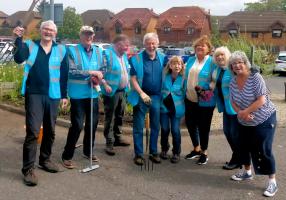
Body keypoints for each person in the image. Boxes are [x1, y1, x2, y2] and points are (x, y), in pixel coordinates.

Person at [13, 20, 69, 186]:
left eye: (51, 30)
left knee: (51, 131)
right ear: (40, 30)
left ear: (55, 33)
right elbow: (18, 58)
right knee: (33, 132)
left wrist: (64, 95)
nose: (48, 32)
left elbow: (64, 74)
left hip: (53, 94)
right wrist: (18, 39)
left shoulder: (61, 49)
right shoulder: (30, 45)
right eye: (45, 29)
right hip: (34, 94)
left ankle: (45, 160)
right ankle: (28, 169)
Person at [229, 51, 278, 197]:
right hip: (244, 119)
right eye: (234, 63)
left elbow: (262, 100)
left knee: (264, 149)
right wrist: (241, 113)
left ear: (245, 63)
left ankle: (272, 182)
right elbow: (232, 101)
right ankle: (247, 172)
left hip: (264, 118)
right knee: (243, 146)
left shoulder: (255, 77)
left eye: (240, 62)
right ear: (231, 67)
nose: (237, 65)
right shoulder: (232, 81)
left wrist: (245, 112)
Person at [61, 26, 104, 169]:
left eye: (90, 34)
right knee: (77, 125)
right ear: (80, 36)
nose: (88, 37)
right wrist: (91, 72)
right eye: (85, 34)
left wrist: (100, 75)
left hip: (93, 93)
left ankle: (88, 151)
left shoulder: (98, 50)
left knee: (92, 125)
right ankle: (67, 155)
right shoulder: (72, 50)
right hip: (78, 95)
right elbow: (72, 71)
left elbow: (103, 68)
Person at [128, 32, 165, 165]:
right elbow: (132, 78)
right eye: (148, 43)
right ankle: (138, 154)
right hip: (140, 96)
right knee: (138, 126)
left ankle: (153, 152)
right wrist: (142, 93)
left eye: (153, 43)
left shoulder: (163, 58)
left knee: (155, 126)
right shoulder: (135, 59)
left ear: (157, 44)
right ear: (144, 44)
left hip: (156, 96)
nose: (151, 46)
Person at [184, 35, 215, 165]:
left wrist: (207, 88)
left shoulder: (212, 62)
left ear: (208, 49)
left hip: (205, 101)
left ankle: (204, 152)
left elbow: (215, 80)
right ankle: (196, 149)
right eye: (197, 46)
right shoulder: (191, 60)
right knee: (191, 124)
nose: (200, 47)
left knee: (203, 127)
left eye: (203, 45)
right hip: (189, 98)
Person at [210, 47, 240, 170]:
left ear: (227, 55)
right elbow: (215, 85)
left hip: (235, 107)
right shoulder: (218, 70)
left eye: (222, 55)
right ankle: (238, 156)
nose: (220, 57)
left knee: (234, 134)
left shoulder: (232, 69)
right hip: (225, 107)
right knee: (228, 132)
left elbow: (245, 75)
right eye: (217, 56)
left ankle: (237, 158)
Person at [101, 34, 130, 156]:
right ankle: (109, 142)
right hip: (111, 92)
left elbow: (126, 71)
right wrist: (105, 84)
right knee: (110, 117)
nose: (127, 47)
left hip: (122, 91)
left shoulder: (124, 56)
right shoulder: (107, 54)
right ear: (118, 44)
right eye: (126, 45)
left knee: (119, 115)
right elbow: (99, 71)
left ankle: (117, 138)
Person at [159, 56, 186, 163]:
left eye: (179, 64)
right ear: (170, 66)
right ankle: (164, 149)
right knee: (165, 129)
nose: (177, 66)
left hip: (176, 108)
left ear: (182, 66)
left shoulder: (183, 78)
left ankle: (176, 152)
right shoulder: (164, 76)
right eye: (174, 64)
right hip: (164, 107)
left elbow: (185, 93)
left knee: (175, 130)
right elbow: (160, 89)